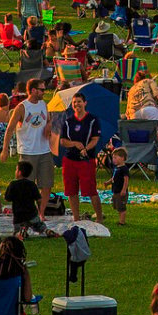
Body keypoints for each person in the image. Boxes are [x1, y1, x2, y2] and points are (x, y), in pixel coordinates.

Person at [56, 91, 105, 223]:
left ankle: (99, 217)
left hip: (86, 160)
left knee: (90, 190)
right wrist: (74, 144)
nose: (77, 104)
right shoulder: (68, 121)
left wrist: (86, 149)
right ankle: (76, 218)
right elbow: (63, 141)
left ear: (85, 103)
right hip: (69, 159)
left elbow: (95, 139)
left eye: (79, 102)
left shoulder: (92, 120)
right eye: (74, 102)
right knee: (71, 191)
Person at [3, 79, 58, 198]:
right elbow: (9, 129)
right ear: (33, 90)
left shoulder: (44, 104)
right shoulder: (22, 107)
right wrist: (5, 149)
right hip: (28, 152)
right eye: (42, 90)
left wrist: (49, 124)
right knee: (26, 185)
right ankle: (28, 209)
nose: (44, 92)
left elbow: (49, 120)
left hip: (45, 150)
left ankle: (41, 213)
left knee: (47, 184)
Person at [6, 161, 44, 234]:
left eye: (16, 169)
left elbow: (7, 198)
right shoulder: (32, 184)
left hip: (18, 215)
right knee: (40, 227)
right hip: (32, 213)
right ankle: (46, 231)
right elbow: (39, 199)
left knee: (17, 231)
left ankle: (22, 232)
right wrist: (40, 210)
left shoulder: (13, 184)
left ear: (19, 172)